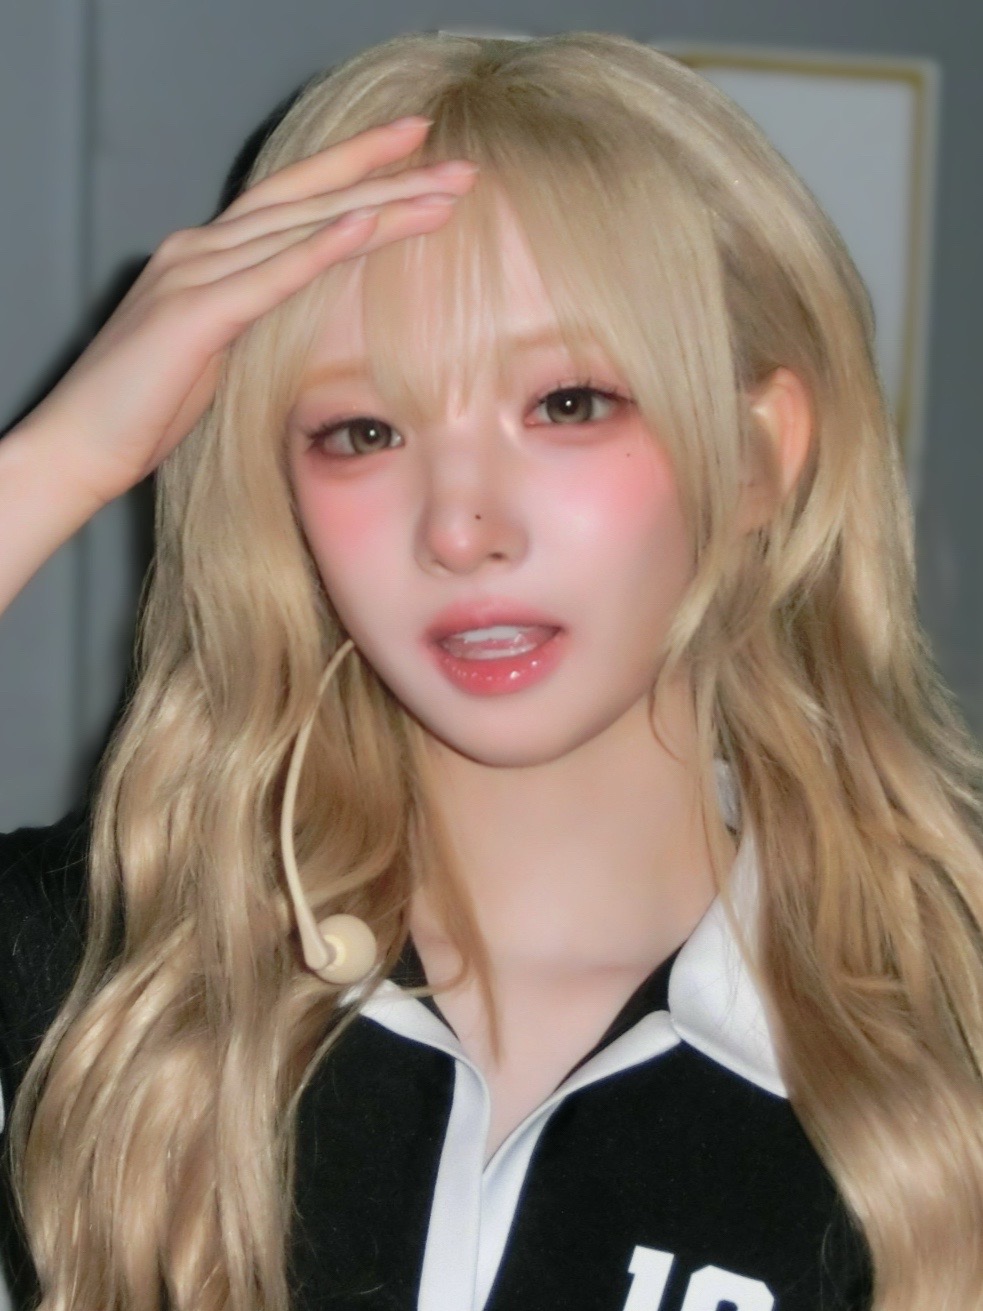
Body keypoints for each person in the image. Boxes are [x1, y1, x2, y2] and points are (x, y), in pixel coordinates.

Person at [0, 28, 981, 1311]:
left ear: (755, 456)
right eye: (362, 430)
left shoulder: (946, 1055)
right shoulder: (106, 986)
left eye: (567, 405)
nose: (460, 528)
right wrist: (57, 462)